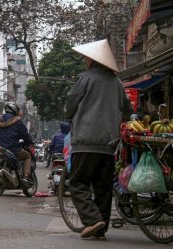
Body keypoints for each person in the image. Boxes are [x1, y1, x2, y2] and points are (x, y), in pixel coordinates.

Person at [64, 39, 133, 240]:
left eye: (86, 58)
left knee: (77, 183)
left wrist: (70, 114)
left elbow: (70, 104)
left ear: (92, 60)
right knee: (103, 187)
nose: (85, 60)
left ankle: (93, 220)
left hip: (86, 141)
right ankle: (100, 229)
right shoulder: (117, 83)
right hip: (109, 145)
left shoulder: (85, 78)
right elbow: (127, 110)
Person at [0, 102, 34, 185]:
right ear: (15, 110)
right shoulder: (17, 121)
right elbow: (25, 135)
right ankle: (26, 176)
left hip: (0, 148)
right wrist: (30, 142)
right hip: (13, 148)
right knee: (28, 156)